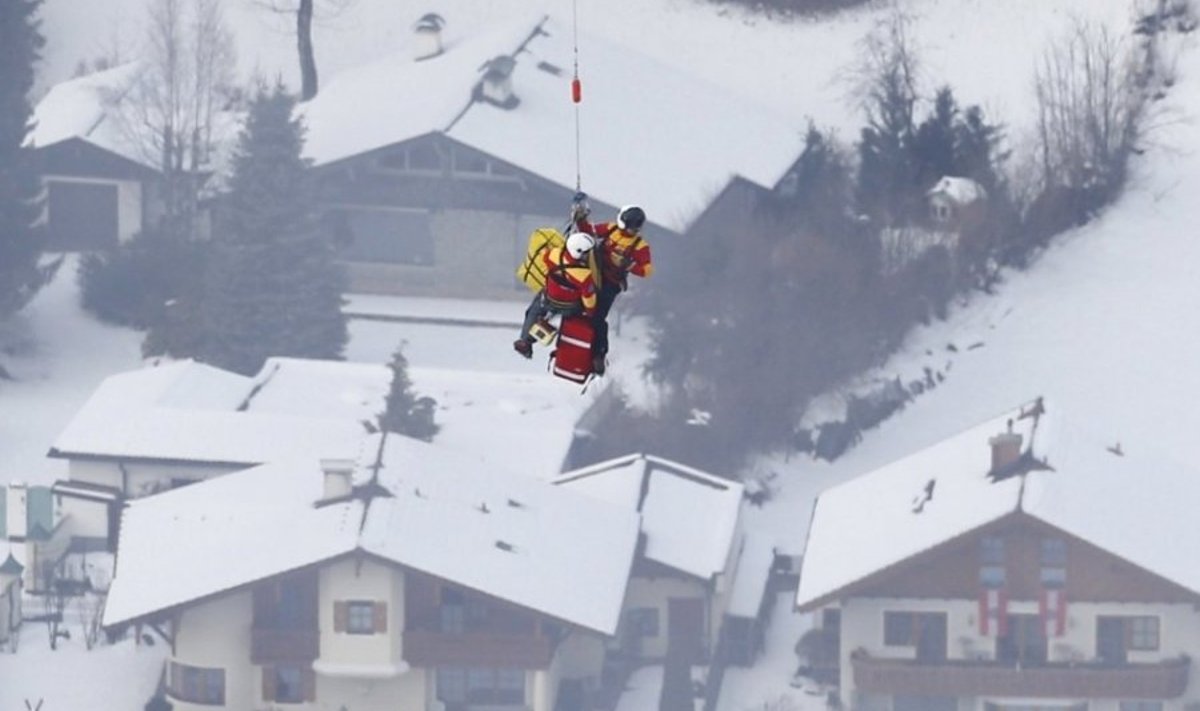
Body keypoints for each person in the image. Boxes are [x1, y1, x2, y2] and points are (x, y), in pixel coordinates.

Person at [571, 198, 654, 375]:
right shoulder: (611, 229)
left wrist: (628, 264)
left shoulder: (640, 246)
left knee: (597, 317)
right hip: (593, 272)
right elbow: (589, 231)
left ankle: (599, 355)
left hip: (610, 283)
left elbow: (647, 271)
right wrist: (580, 219)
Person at [513, 231, 598, 359]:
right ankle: (563, 350)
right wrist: (590, 312)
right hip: (571, 308)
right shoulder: (584, 276)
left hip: (549, 300)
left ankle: (525, 340)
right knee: (576, 322)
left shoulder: (554, 255)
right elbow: (589, 301)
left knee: (533, 311)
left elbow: (545, 258)